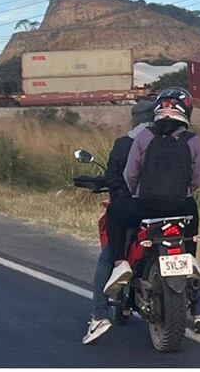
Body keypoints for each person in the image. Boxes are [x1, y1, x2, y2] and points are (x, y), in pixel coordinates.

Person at [102, 87, 200, 335]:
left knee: (116, 211)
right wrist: (182, 193)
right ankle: (190, 257)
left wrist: (139, 193)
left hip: (145, 205)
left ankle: (120, 263)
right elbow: (198, 179)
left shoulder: (145, 136)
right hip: (181, 205)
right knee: (191, 222)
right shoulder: (193, 141)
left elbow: (131, 173)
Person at [82, 98, 154, 344]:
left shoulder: (124, 143)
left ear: (135, 119)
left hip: (131, 210)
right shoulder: (169, 141)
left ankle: (98, 315)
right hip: (166, 210)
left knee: (108, 256)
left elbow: (116, 177)